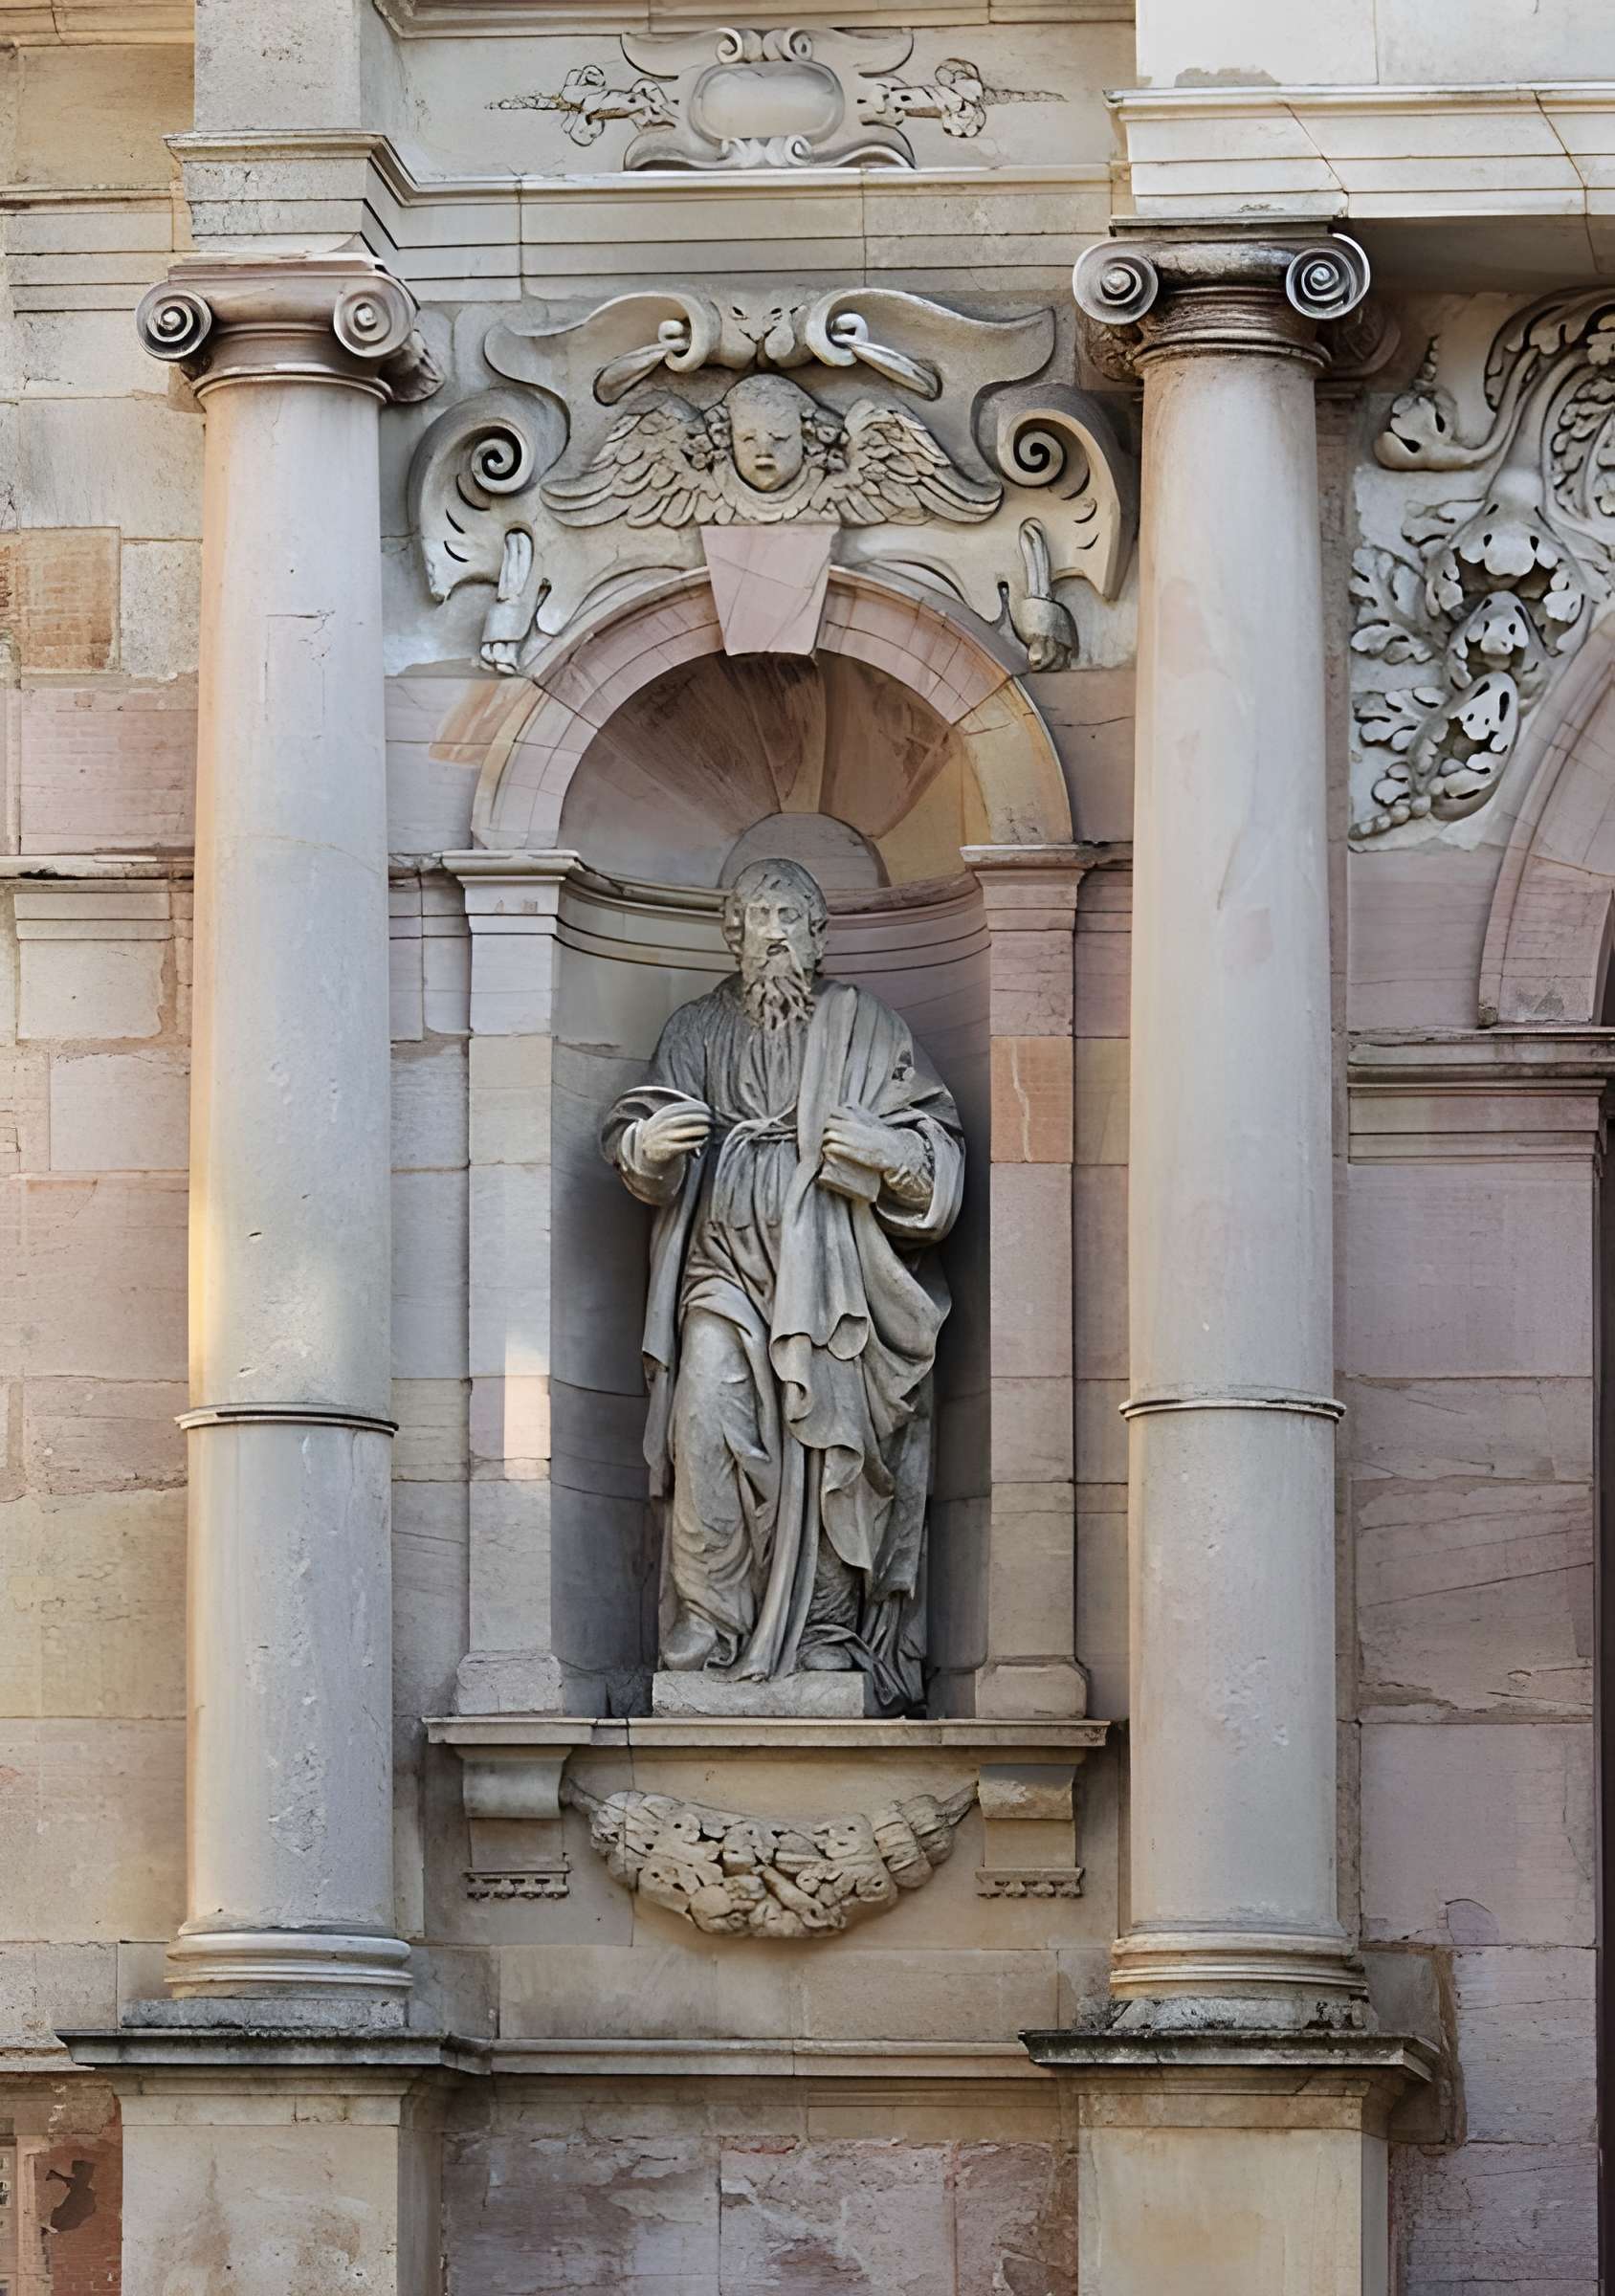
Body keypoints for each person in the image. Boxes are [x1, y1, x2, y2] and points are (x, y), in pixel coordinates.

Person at [601, 857, 963, 1708]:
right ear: (732, 935)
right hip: (720, 1266)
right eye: (759, 918)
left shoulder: (867, 1026)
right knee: (705, 1415)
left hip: (835, 1277)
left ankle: (825, 1630)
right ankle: (710, 1619)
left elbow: (937, 1154)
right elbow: (639, 1134)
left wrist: (890, 1153)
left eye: (790, 918)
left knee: (832, 1436)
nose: (774, 934)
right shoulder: (695, 1030)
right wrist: (646, 1150)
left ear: (818, 935)